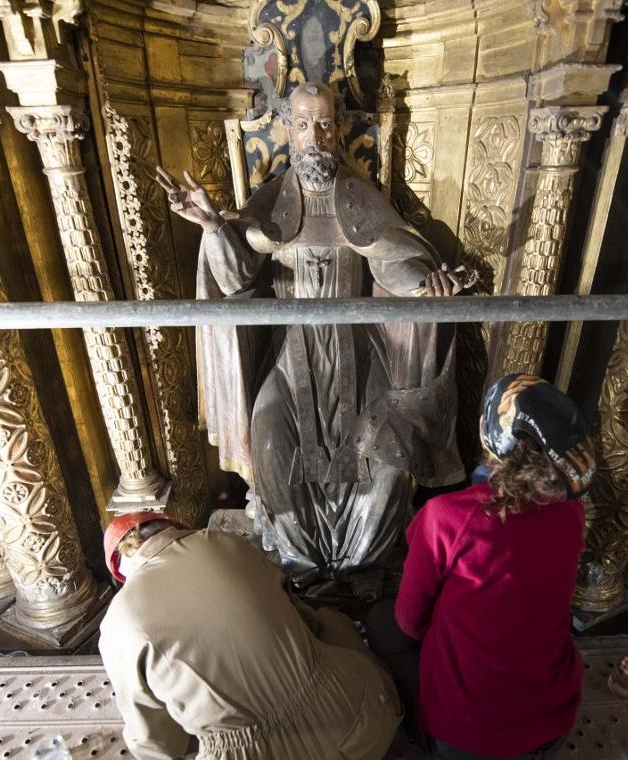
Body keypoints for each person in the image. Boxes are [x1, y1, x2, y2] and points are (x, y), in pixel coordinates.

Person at [154, 81, 466, 597]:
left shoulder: (359, 198)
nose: (315, 136)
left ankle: (362, 562)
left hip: (359, 354)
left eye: (324, 123)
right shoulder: (272, 201)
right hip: (286, 356)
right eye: (303, 124)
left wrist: (426, 284)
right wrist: (213, 228)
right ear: (288, 131)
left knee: (386, 465)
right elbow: (234, 281)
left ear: (337, 128)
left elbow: (395, 260)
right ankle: (301, 563)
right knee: (273, 454)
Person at [97, 512, 401, 760]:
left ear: (121, 569)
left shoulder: (120, 621)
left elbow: (158, 750)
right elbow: (304, 621)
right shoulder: (227, 543)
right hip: (367, 727)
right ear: (174, 529)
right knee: (330, 620)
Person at [367, 373, 594, 760]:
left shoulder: (447, 517)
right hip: (554, 728)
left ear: (493, 436)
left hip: (465, 746)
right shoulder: (571, 514)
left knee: (380, 624)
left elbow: (409, 623)